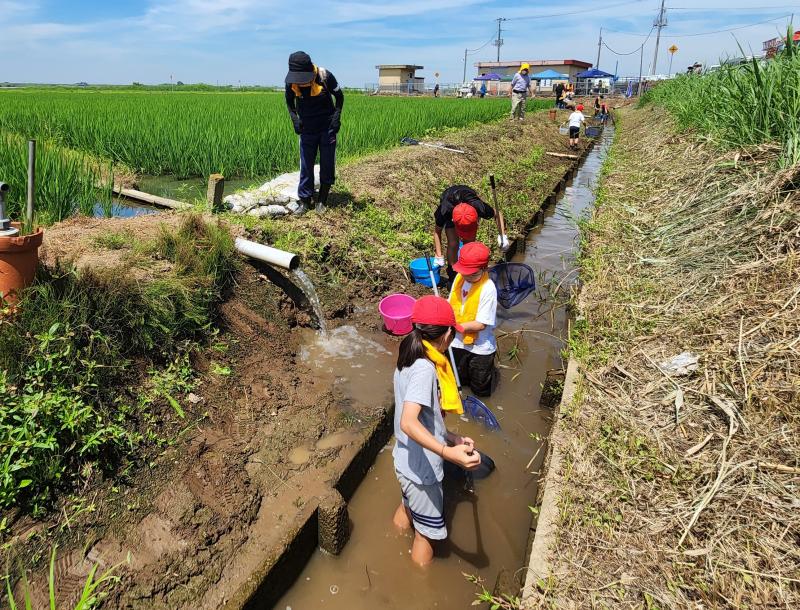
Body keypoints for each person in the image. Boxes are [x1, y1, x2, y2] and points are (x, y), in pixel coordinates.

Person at [392, 295, 482, 566]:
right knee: (426, 535)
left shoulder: (408, 354)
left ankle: (391, 543)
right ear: (445, 335)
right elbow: (409, 422)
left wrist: (451, 438)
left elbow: (424, 417)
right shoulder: (425, 369)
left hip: (404, 460)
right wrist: (447, 452)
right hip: (422, 469)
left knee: (408, 507)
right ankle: (419, 587)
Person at [284, 51, 344, 213]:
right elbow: (289, 101)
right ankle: (304, 200)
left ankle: (322, 200)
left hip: (327, 127)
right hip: (307, 129)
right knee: (306, 165)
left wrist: (336, 117)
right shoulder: (291, 82)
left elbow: (339, 97)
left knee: (327, 163)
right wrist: (294, 119)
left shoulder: (325, 76)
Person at [448, 242, 498, 396]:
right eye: (464, 272)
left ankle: (481, 405)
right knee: (459, 378)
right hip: (457, 343)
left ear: (484, 268)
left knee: (480, 384)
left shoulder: (488, 289)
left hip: (480, 348)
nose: (467, 276)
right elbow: (451, 303)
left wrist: (455, 325)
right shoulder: (459, 279)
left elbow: (481, 324)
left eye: (472, 274)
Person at [433, 185, 508, 282]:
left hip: (467, 196)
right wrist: (438, 255)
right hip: (449, 201)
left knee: (469, 245)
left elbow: (498, 214)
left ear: (477, 218)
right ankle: (453, 272)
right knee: (453, 243)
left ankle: (469, 269)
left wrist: (502, 235)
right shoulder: (444, 211)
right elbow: (437, 231)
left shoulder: (479, 207)